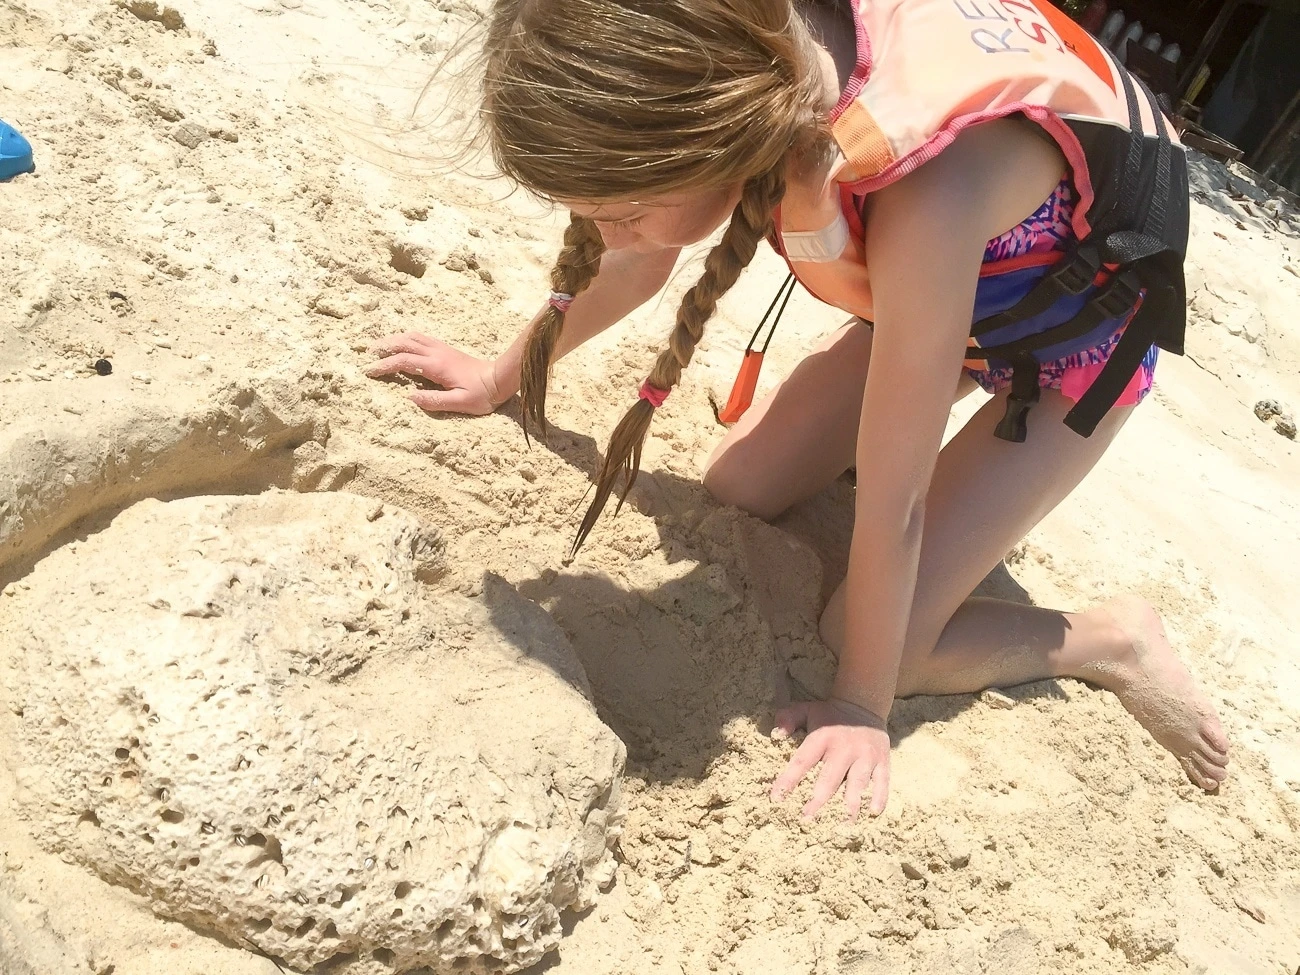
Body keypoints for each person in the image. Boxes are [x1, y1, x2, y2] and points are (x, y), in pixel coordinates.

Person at [367, 0, 1230, 820]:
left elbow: (897, 499)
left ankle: (1112, 640)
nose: (608, 232)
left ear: (713, 134)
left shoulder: (928, 189)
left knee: (884, 639)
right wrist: (502, 376)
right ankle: (923, 377)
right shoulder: (765, 60)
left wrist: (861, 700)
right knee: (738, 482)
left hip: (1067, 362)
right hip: (945, 311)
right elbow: (633, 264)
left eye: (620, 212)